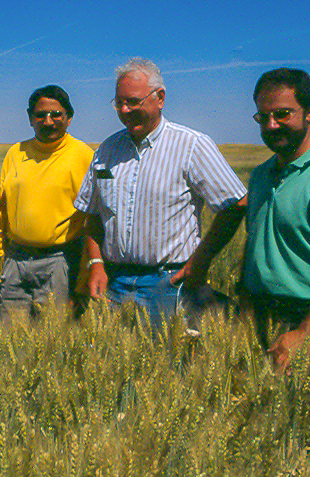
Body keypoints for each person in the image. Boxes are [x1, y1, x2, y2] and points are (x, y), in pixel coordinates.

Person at [74, 57, 248, 327]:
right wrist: (96, 262)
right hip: (115, 283)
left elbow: (235, 204)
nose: (124, 109)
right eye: (118, 102)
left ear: (160, 97)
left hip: (169, 284)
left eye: (133, 101)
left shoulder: (192, 145)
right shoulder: (107, 151)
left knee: (170, 364)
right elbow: (94, 214)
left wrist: (200, 261)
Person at [243, 68, 310, 377]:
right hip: (260, 317)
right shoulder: (261, 176)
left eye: (282, 114)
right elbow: (255, 244)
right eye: (262, 117)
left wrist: (308, 333)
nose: (271, 125)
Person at [0, 85, 93, 322]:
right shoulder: (15, 153)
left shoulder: (83, 155)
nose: (48, 122)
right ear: (30, 118)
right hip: (15, 261)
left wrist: (81, 284)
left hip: (60, 263)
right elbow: (0, 216)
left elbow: (92, 222)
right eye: (40, 115)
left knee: (53, 345)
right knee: (8, 344)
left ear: (69, 118)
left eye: (56, 114)